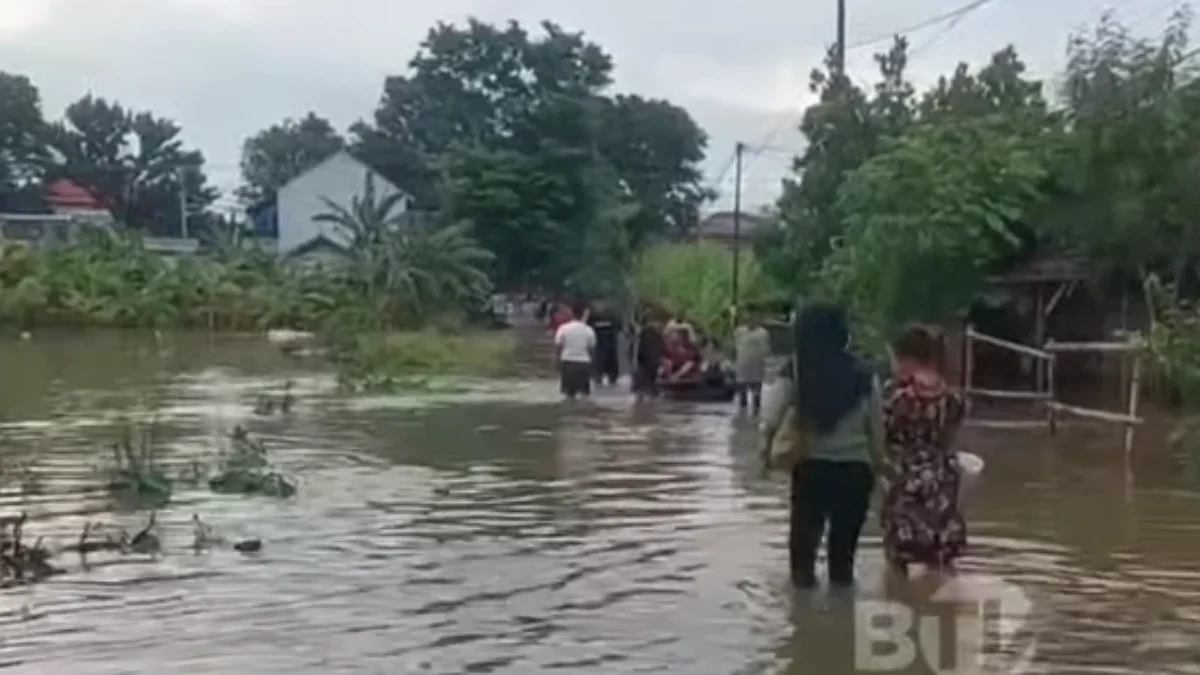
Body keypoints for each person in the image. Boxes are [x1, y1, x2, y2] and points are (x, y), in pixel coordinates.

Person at [760, 303, 882, 588]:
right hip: (856, 473)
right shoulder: (866, 375)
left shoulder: (795, 371)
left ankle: (804, 626)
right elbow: (876, 430)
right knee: (843, 564)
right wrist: (880, 465)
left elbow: (769, 418)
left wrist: (765, 453)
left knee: (802, 564)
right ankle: (841, 625)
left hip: (812, 470)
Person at [880, 324, 966, 579]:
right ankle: (945, 611)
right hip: (942, 476)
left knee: (900, 554)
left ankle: (900, 602)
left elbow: (885, 435)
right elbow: (948, 437)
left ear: (906, 358)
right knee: (940, 553)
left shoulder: (898, 397)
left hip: (907, 478)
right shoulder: (955, 399)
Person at [553, 302, 596, 400]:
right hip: (584, 364)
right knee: (584, 395)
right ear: (584, 314)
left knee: (568, 395)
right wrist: (593, 367)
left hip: (567, 363)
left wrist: (557, 363)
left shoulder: (563, 328)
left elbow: (559, 347)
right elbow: (592, 350)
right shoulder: (589, 330)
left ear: (572, 313)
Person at [733, 313, 772, 415]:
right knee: (742, 393)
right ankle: (742, 415)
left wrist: (765, 363)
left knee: (757, 392)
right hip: (742, 364)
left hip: (757, 365)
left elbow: (766, 350)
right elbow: (736, 347)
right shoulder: (739, 332)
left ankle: (756, 414)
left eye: (752, 318)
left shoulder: (763, 333)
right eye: (747, 318)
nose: (750, 320)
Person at [631, 314, 666, 402]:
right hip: (646, 365)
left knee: (645, 391)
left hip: (649, 365)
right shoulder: (648, 334)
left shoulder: (651, 335)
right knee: (644, 391)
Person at [588, 301, 621, 385]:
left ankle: (599, 375)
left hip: (600, 338)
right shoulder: (613, 313)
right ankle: (611, 375)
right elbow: (619, 326)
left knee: (600, 357)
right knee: (610, 357)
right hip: (610, 337)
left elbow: (589, 324)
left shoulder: (594, 313)